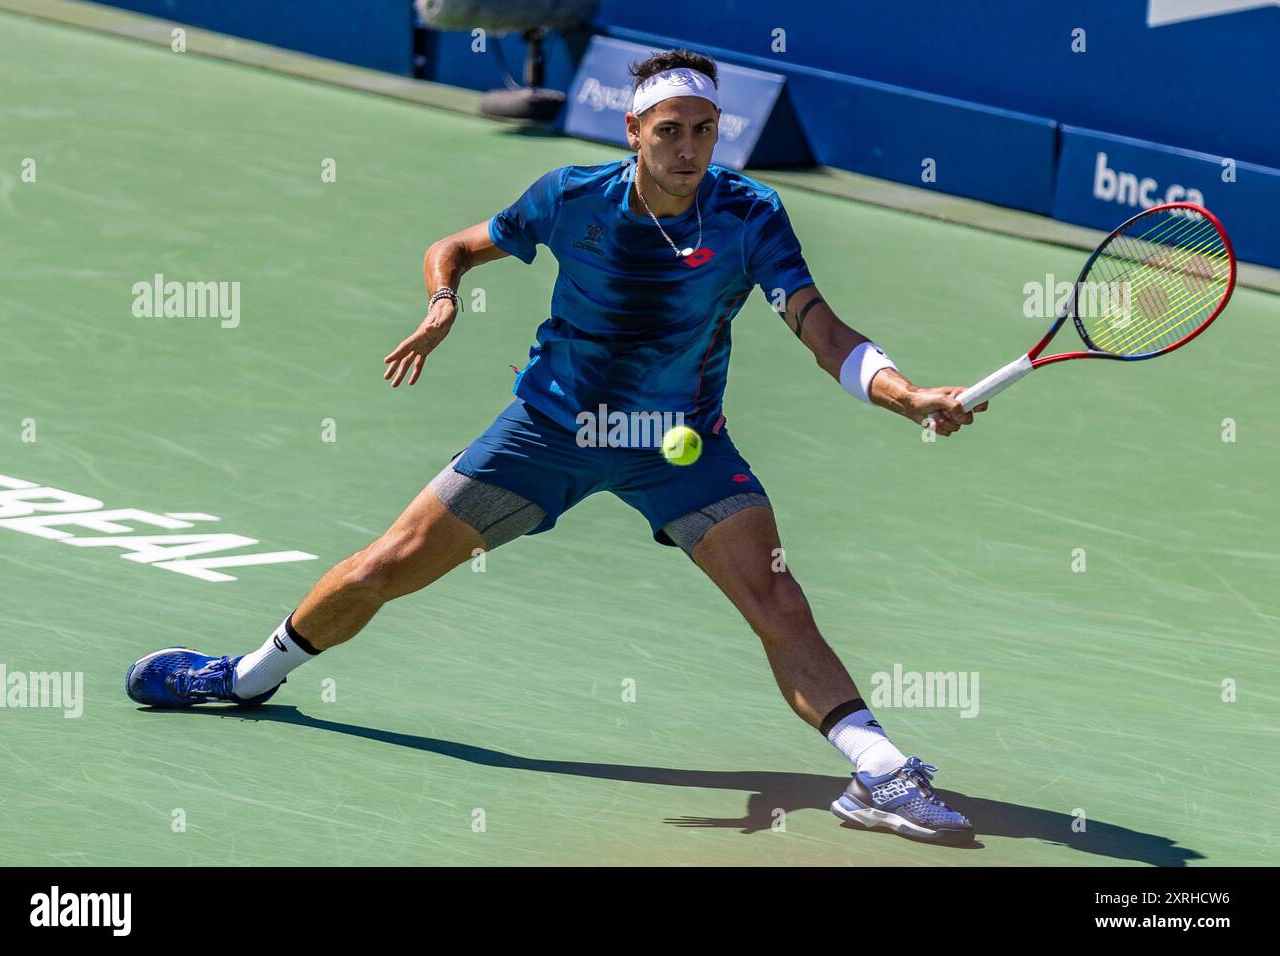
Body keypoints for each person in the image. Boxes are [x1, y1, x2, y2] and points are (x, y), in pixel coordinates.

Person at [127, 48, 987, 843]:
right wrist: (441, 301)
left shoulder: (750, 215)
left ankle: (878, 773)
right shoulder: (570, 197)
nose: (689, 149)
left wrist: (904, 394)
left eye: (703, 131)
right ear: (634, 133)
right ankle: (243, 679)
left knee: (780, 603)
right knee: (381, 569)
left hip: (677, 445)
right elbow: (455, 247)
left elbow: (821, 329)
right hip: (548, 431)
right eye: (669, 132)